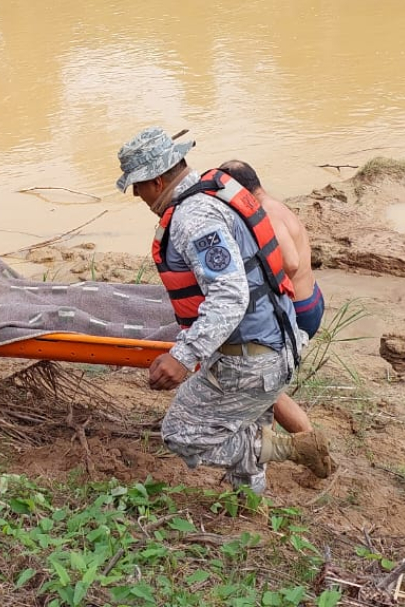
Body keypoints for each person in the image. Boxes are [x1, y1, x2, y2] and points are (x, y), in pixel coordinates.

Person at [116, 127, 334, 493]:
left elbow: (230, 295)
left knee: (181, 434)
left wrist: (182, 357)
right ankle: (250, 505)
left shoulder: (194, 218)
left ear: (155, 181)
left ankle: (291, 447)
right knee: (246, 424)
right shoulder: (218, 197)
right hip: (276, 346)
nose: (136, 194)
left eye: (137, 185)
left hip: (251, 361)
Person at [220, 159, 322, 436]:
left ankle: (309, 444)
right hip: (310, 297)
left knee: (266, 384)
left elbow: (288, 262)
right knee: (265, 381)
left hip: (296, 308)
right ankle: (267, 438)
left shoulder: (265, 213)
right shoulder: (274, 204)